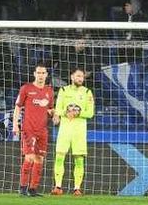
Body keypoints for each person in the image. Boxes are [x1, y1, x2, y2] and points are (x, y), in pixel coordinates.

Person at [51, 67, 95, 196]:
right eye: (78, 76)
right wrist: (65, 112)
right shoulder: (63, 90)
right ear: (72, 77)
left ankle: (77, 188)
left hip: (79, 131)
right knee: (59, 157)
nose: (80, 79)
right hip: (65, 129)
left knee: (79, 159)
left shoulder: (87, 92)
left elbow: (90, 113)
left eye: (82, 77)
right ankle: (58, 186)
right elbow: (58, 109)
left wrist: (78, 112)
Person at [13, 63, 54, 197]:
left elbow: (50, 109)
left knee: (39, 159)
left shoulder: (49, 91)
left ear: (46, 75)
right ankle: (23, 187)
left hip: (42, 130)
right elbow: (18, 107)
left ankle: (33, 189)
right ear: (34, 74)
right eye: (39, 73)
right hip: (29, 129)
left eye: (43, 73)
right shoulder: (26, 88)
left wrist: (56, 115)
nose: (41, 75)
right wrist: (15, 124)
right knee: (29, 157)